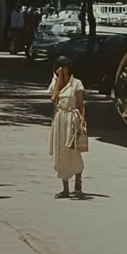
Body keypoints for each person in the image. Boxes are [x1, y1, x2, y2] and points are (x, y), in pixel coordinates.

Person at [48, 56, 85, 199]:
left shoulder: (77, 84)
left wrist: (82, 121)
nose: (62, 70)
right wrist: (58, 82)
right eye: (59, 68)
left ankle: (78, 180)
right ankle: (65, 188)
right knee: (60, 152)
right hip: (59, 120)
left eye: (64, 67)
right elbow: (53, 99)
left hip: (72, 119)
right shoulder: (55, 83)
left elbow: (81, 104)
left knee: (73, 151)